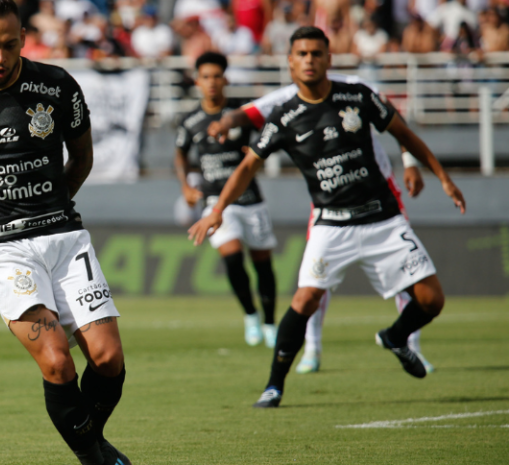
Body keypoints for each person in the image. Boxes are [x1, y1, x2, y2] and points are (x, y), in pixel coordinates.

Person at [191, 26, 465, 408]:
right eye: (301, 54)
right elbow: (248, 166)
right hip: (331, 224)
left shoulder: (357, 95)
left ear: (328, 59)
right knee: (304, 301)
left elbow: (404, 133)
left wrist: (444, 178)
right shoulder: (285, 117)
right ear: (290, 61)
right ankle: (274, 386)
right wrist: (217, 209)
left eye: (316, 53)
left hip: (383, 218)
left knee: (432, 300)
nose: (309, 60)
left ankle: (396, 337)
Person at [0, 0, 130, 465]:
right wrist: (2, 213)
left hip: (64, 236)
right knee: (57, 361)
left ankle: (90, 440)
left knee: (108, 360)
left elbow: (82, 158)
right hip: (1, 246)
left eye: (11, 46)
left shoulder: (57, 87)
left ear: (23, 40)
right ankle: (94, 459)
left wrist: (53, 206)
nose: (1, 58)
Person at [175, 52, 279, 348]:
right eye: (205, 77)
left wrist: (257, 153)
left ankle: (270, 322)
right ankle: (250, 314)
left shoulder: (241, 114)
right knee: (232, 257)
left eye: (216, 76)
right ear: (197, 81)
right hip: (215, 202)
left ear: (226, 79)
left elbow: (270, 138)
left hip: (251, 198)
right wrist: (184, 185)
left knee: (263, 265)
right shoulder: (191, 121)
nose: (211, 82)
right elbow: (180, 153)